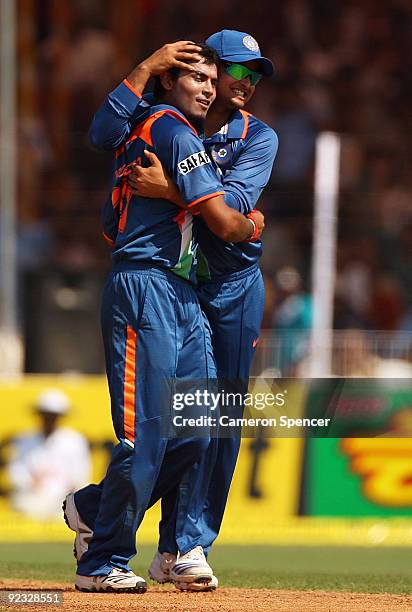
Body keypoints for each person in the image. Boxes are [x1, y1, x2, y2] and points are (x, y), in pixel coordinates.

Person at [68, 30, 277, 592]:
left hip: (219, 285)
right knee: (151, 432)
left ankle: (170, 540)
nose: (233, 86)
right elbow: (232, 221)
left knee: (206, 426)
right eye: (216, 73)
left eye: (243, 77)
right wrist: (146, 65)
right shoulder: (167, 123)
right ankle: (116, 554)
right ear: (176, 74)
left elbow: (228, 212)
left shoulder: (255, 137)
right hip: (156, 284)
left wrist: (171, 193)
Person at [8, 389, 90, 520]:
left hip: (65, 500)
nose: (49, 420)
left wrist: (69, 493)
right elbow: (16, 472)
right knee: (24, 505)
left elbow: (81, 473)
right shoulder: (25, 440)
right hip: (33, 498)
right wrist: (31, 483)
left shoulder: (74, 440)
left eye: (53, 416)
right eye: (46, 415)